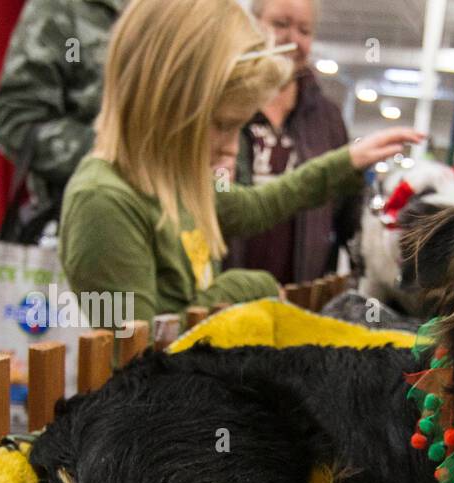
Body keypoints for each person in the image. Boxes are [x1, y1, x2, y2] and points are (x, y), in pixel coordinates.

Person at [57, 0, 422, 324]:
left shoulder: (175, 182)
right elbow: (133, 358)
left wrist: (346, 162)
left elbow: (257, 204)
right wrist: (243, 288)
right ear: (167, 103)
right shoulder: (102, 203)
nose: (232, 149)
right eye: (222, 125)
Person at [225, 0, 357, 284]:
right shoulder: (225, 99)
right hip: (224, 287)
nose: (293, 40)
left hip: (298, 292)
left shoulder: (327, 118)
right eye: (280, 24)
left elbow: (349, 211)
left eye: (305, 31)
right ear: (253, 23)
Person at [0, 0, 126, 242]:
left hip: (190, 227)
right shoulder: (63, 7)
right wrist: (116, 157)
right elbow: (16, 118)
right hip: (86, 228)